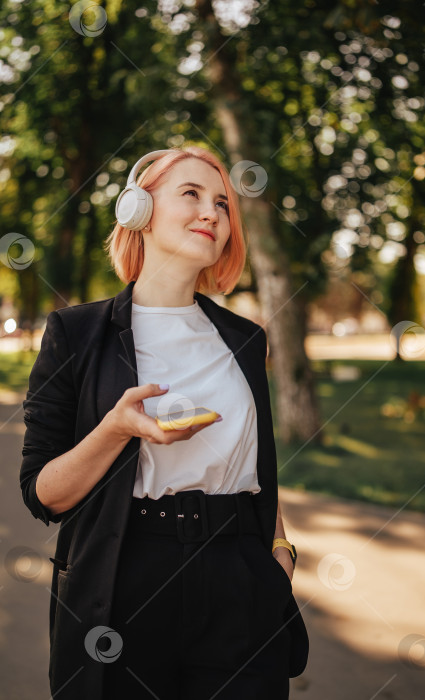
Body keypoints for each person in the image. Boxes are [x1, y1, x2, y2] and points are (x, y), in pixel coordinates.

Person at [20, 145, 309, 700]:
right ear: (138, 210)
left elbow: (257, 461)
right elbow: (43, 495)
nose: (212, 213)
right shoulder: (75, 335)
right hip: (127, 576)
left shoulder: (246, 339)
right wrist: (116, 429)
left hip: (239, 577)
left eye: (223, 204)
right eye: (192, 195)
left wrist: (279, 550)